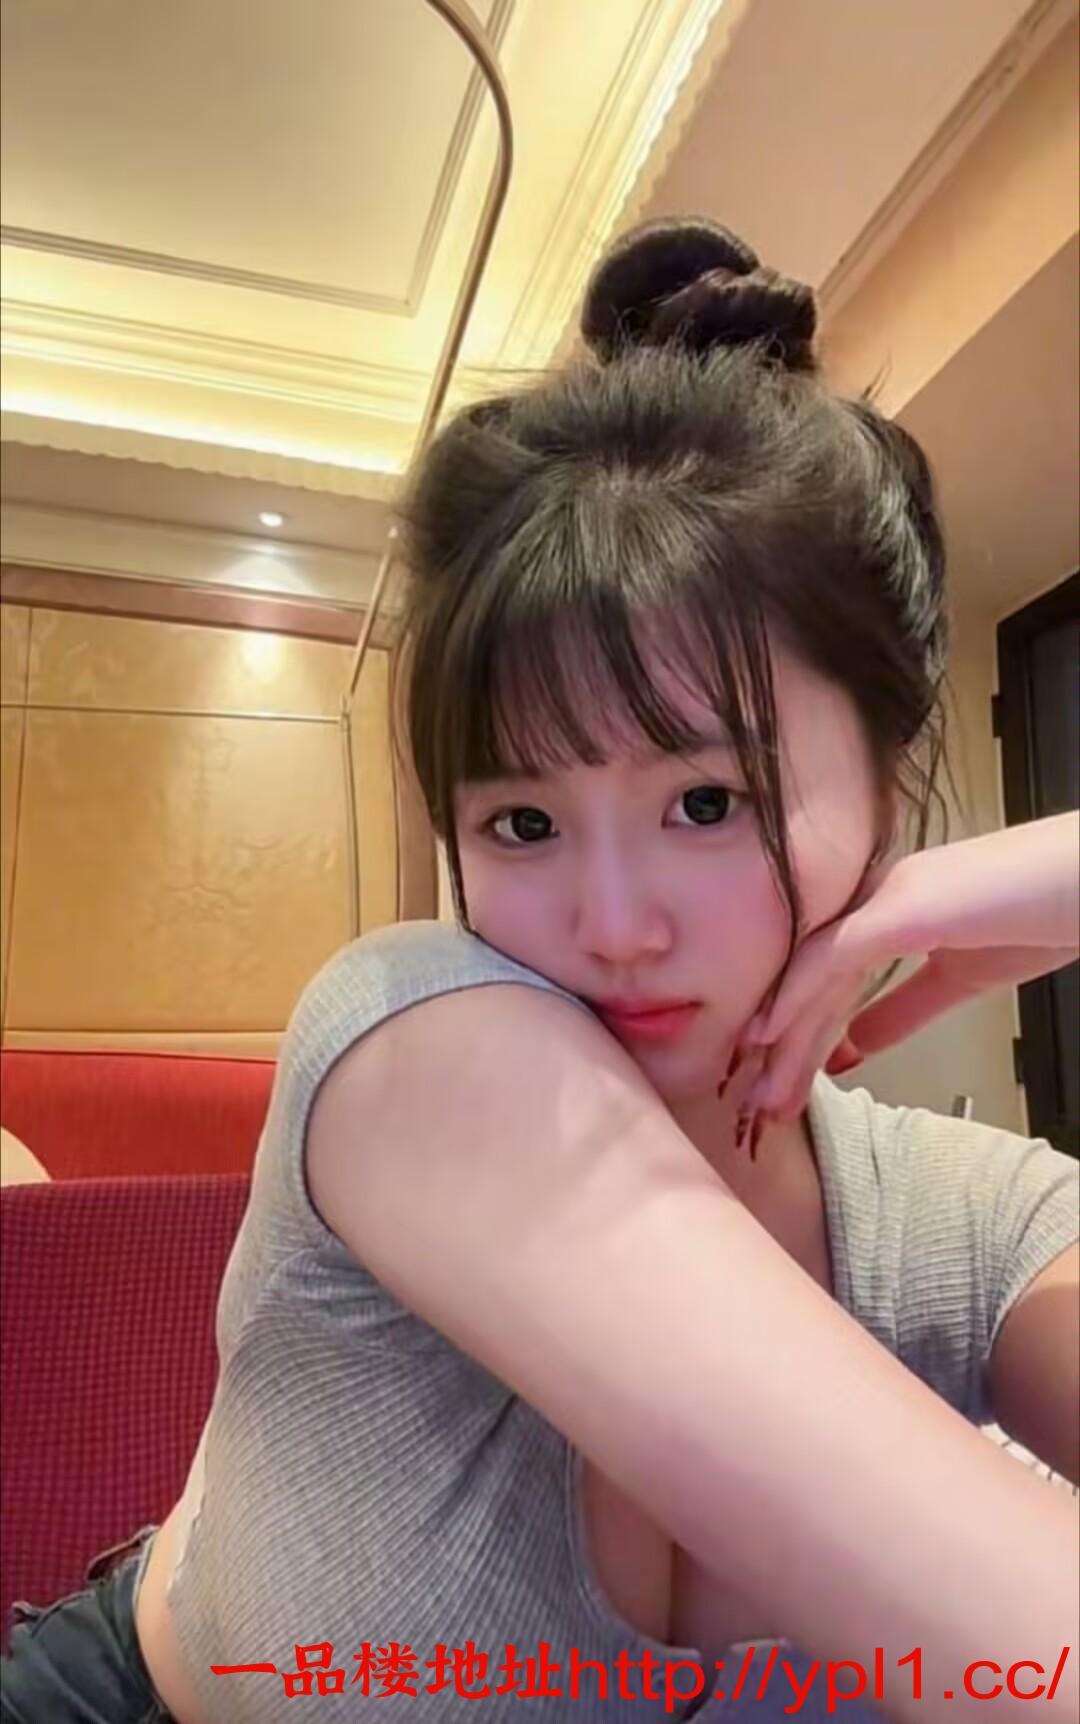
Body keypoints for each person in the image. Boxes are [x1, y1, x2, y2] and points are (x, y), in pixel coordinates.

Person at [2, 217, 1077, 1724]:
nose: (613, 922)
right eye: (523, 822)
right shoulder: (417, 1042)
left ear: (891, 792)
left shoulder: (965, 1219)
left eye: (707, 802)